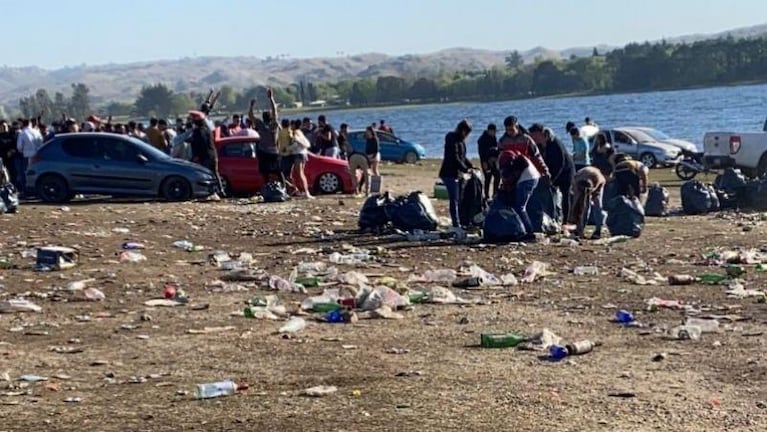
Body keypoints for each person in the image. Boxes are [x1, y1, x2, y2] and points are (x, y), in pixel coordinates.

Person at [528, 124, 575, 223]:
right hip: (551, 171)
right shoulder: (539, 146)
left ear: (541, 134)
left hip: (565, 171)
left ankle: (565, 221)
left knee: (565, 195)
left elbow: (560, 163)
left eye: (535, 136)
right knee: (550, 194)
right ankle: (553, 217)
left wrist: (552, 179)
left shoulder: (555, 143)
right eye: (532, 136)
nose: (533, 138)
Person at [438, 119, 474, 230]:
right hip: (449, 173)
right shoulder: (451, 139)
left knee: (459, 198)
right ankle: (456, 223)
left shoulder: (461, 141)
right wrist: (465, 168)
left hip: (457, 173)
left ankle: (460, 220)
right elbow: (455, 157)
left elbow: (462, 157)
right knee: (454, 198)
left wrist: (470, 166)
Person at [498, 150, 539, 241]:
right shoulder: (520, 159)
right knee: (521, 206)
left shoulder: (519, 163)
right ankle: (525, 230)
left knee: (520, 207)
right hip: (533, 177)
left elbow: (512, 178)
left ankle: (529, 232)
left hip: (526, 180)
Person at [498, 116, 551, 181]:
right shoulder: (502, 142)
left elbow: (536, 156)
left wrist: (545, 171)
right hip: (511, 174)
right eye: (507, 130)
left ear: (517, 127)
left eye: (511, 130)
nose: (509, 132)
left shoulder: (526, 139)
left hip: (527, 172)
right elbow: (500, 161)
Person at [248, 89, 283, 186]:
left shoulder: (260, 125)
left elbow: (251, 116)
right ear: (270, 117)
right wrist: (271, 98)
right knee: (278, 171)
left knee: (264, 171)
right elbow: (274, 111)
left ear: (263, 118)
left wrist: (251, 105)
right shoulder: (274, 124)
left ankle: (268, 186)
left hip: (264, 152)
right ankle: (283, 187)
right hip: (275, 151)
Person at [189, 111, 222, 201]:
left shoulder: (198, 131)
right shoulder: (208, 130)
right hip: (213, 154)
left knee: (205, 175)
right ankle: (220, 191)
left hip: (205, 156)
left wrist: (196, 156)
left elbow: (200, 144)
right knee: (215, 173)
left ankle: (209, 193)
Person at [571, 166, 606, 240]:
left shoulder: (597, 179)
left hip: (598, 183)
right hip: (583, 178)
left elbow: (597, 189)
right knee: (583, 206)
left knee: (598, 206)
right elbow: (576, 203)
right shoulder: (576, 182)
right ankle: (580, 229)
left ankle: (598, 230)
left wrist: (592, 194)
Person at [289, 120, 313, 199]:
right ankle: (305, 191)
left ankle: (306, 192)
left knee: (300, 174)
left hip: (298, 154)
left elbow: (295, 144)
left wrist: (287, 148)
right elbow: (306, 143)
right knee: (301, 173)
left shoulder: (294, 133)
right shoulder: (300, 132)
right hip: (304, 154)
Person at [477, 123, 500, 198]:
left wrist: (496, 159)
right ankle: (486, 195)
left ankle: (495, 194)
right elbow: (481, 153)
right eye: (494, 131)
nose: (494, 133)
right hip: (485, 161)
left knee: (497, 176)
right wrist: (484, 163)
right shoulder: (482, 139)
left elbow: (496, 149)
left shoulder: (494, 137)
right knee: (488, 177)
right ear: (489, 131)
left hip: (493, 161)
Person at [277, 119, 296, 192]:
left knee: (283, 175)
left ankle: (290, 188)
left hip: (283, 155)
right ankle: (292, 188)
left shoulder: (280, 132)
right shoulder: (290, 131)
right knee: (289, 175)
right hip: (289, 155)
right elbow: (292, 140)